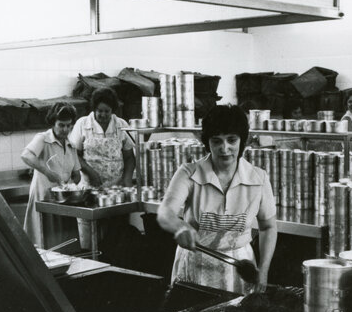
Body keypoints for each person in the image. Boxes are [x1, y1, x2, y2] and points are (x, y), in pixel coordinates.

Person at [157, 105, 277, 294]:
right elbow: (165, 212)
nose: (224, 148)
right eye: (216, 141)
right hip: (196, 264)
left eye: (232, 140)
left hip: (239, 266)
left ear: (242, 141)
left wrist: (264, 270)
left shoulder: (258, 179)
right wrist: (180, 227)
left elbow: (268, 227)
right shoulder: (189, 173)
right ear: (208, 143)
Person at [69, 87, 136, 248]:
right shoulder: (83, 124)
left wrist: (127, 181)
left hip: (116, 191)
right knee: (91, 239)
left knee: (116, 236)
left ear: (113, 110)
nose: (103, 115)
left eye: (107, 111)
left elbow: (129, 157)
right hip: (90, 190)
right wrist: (90, 172)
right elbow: (75, 154)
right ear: (94, 109)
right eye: (100, 111)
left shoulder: (121, 125)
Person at [21, 103, 82, 247]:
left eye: (69, 126)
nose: (65, 129)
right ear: (53, 123)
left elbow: (76, 174)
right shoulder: (43, 138)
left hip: (64, 201)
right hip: (44, 199)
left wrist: (74, 183)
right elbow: (26, 155)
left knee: (65, 244)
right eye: (61, 125)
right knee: (44, 244)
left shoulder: (71, 145)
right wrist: (47, 172)